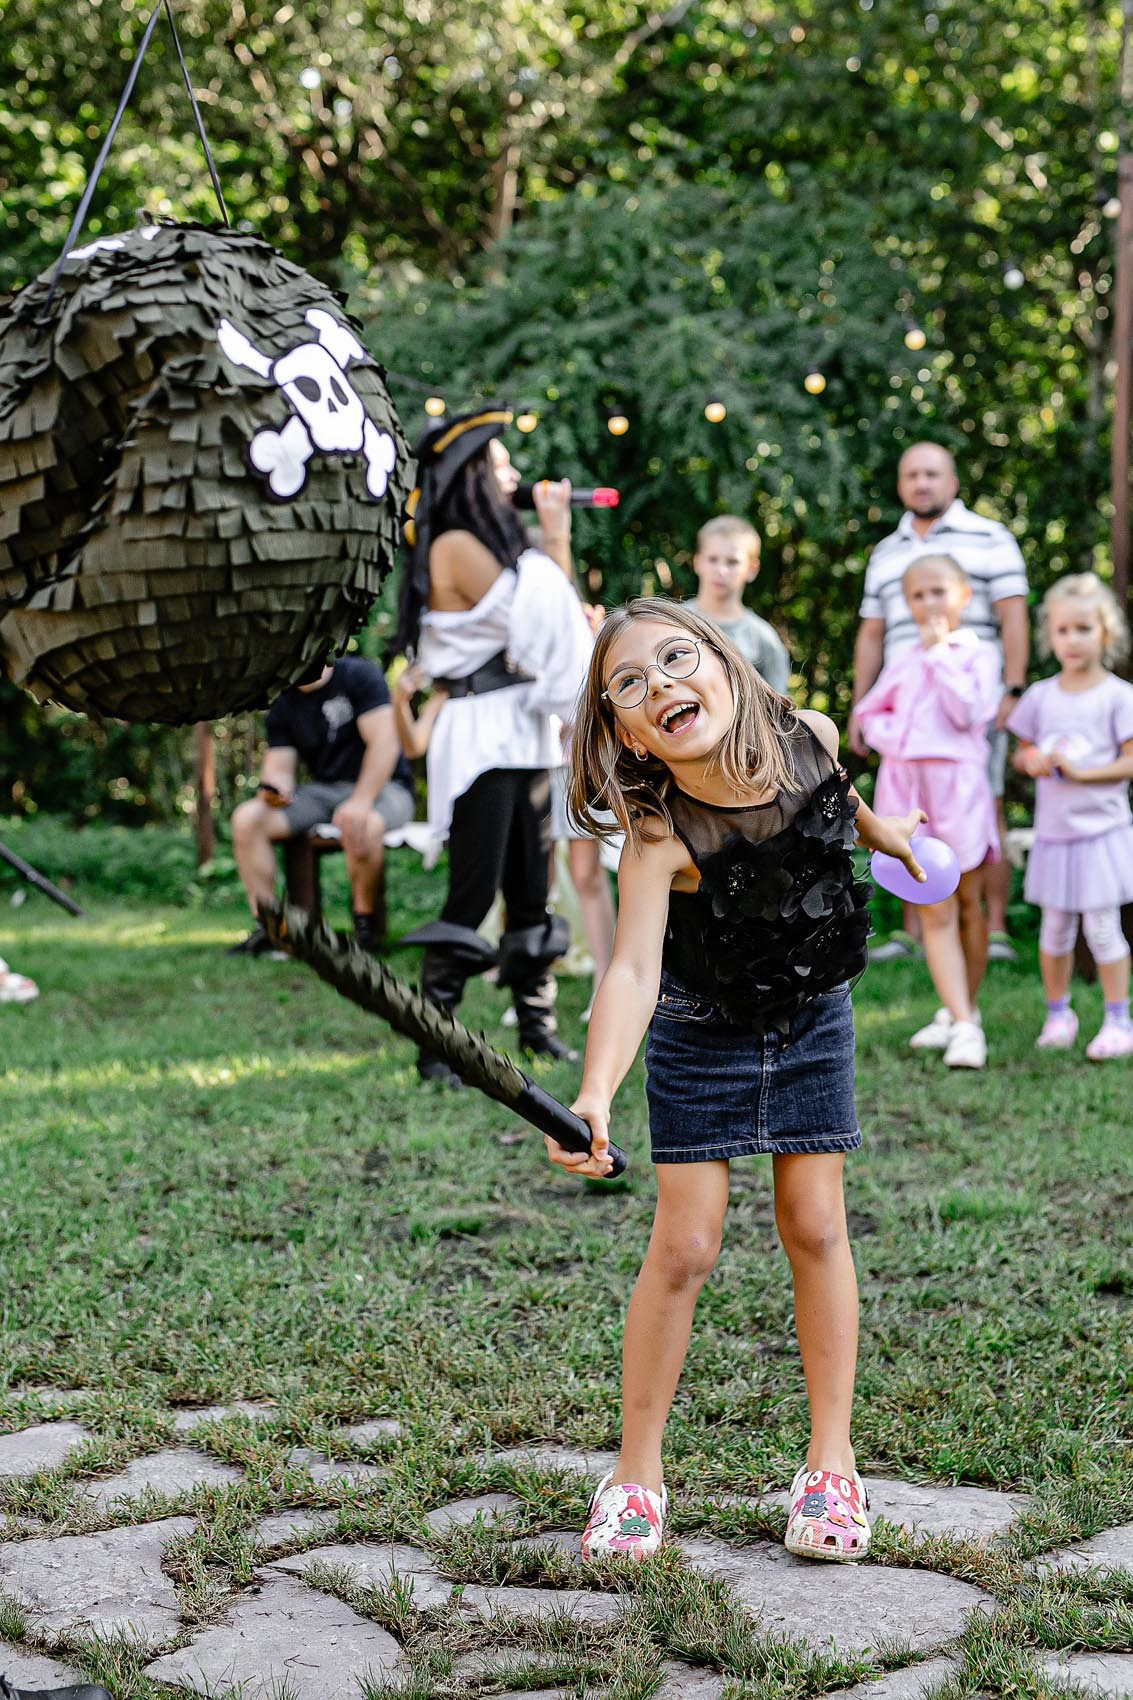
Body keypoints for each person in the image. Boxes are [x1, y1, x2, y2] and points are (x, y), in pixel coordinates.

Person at [547, 597, 924, 1563]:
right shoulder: (658, 832)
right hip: (698, 1029)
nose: (660, 683)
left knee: (815, 1224)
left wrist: (889, 836)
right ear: (626, 733)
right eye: (628, 685)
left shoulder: (811, 736)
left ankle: (830, 1460)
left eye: (676, 658)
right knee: (686, 1244)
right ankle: (635, 1473)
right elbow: (631, 970)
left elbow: (840, 801)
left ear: (725, 663)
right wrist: (592, 1094)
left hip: (811, 1016)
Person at [391, 408, 594, 1080]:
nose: (514, 475)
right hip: (479, 730)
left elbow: (550, 615)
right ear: (475, 474)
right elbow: (535, 612)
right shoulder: (453, 543)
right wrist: (553, 539)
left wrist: (554, 538)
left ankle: (536, 1024)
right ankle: (436, 1040)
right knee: (473, 893)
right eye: (502, 464)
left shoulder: (494, 548)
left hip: (523, 728)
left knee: (532, 888)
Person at [850, 442, 1029, 963]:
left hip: (970, 700)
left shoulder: (991, 538)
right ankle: (917, 929)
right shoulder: (886, 552)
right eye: (911, 475)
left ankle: (991, 927)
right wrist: (863, 707)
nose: (921, 483)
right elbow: (871, 633)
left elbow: (1013, 614)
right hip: (908, 706)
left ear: (952, 481)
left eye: (931, 474)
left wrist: (1012, 690)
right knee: (911, 813)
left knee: (982, 807)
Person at [855, 557, 1002, 1068]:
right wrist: (899, 742)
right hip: (909, 789)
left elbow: (970, 714)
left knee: (968, 904)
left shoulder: (974, 655)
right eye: (917, 596)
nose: (928, 605)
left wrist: (940, 655)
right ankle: (963, 1024)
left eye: (938, 592)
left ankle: (962, 1009)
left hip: (958, 789)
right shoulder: (904, 660)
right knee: (933, 904)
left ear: (963, 596)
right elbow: (868, 714)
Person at [1007, 573, 1133, 1060]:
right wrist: (1031, 759)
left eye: (1083, 628)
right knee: (1054, 929)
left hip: (1102, 832)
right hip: (1055, 835)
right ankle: (1059, 1013)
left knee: (1102, 928)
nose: (1072, 640)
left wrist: (1084, 774)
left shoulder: (1118, 696)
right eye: (1062, 630)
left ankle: (1119, 1020)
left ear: (1106, 632)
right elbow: (1022, 752)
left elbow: (1129, 760)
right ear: (1050, 636)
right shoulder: (1041, 695)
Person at [228, 656, 415, 956]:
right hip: (323, 792)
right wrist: (275, 790)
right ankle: (273, 929)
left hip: (386, 787)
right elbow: (279, 767)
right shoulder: (282, 698)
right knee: (247, 819)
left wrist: (361, 801)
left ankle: (365, 930)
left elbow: (385, 744)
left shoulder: (358, 674)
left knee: (362, 822)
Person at [689, 515, 791, 693]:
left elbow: (779, 710)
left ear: (752, 569)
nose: (721, 570)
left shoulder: (764, 639)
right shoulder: (672, 622)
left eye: (732, 562)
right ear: (697, 562)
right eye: (713, 559)